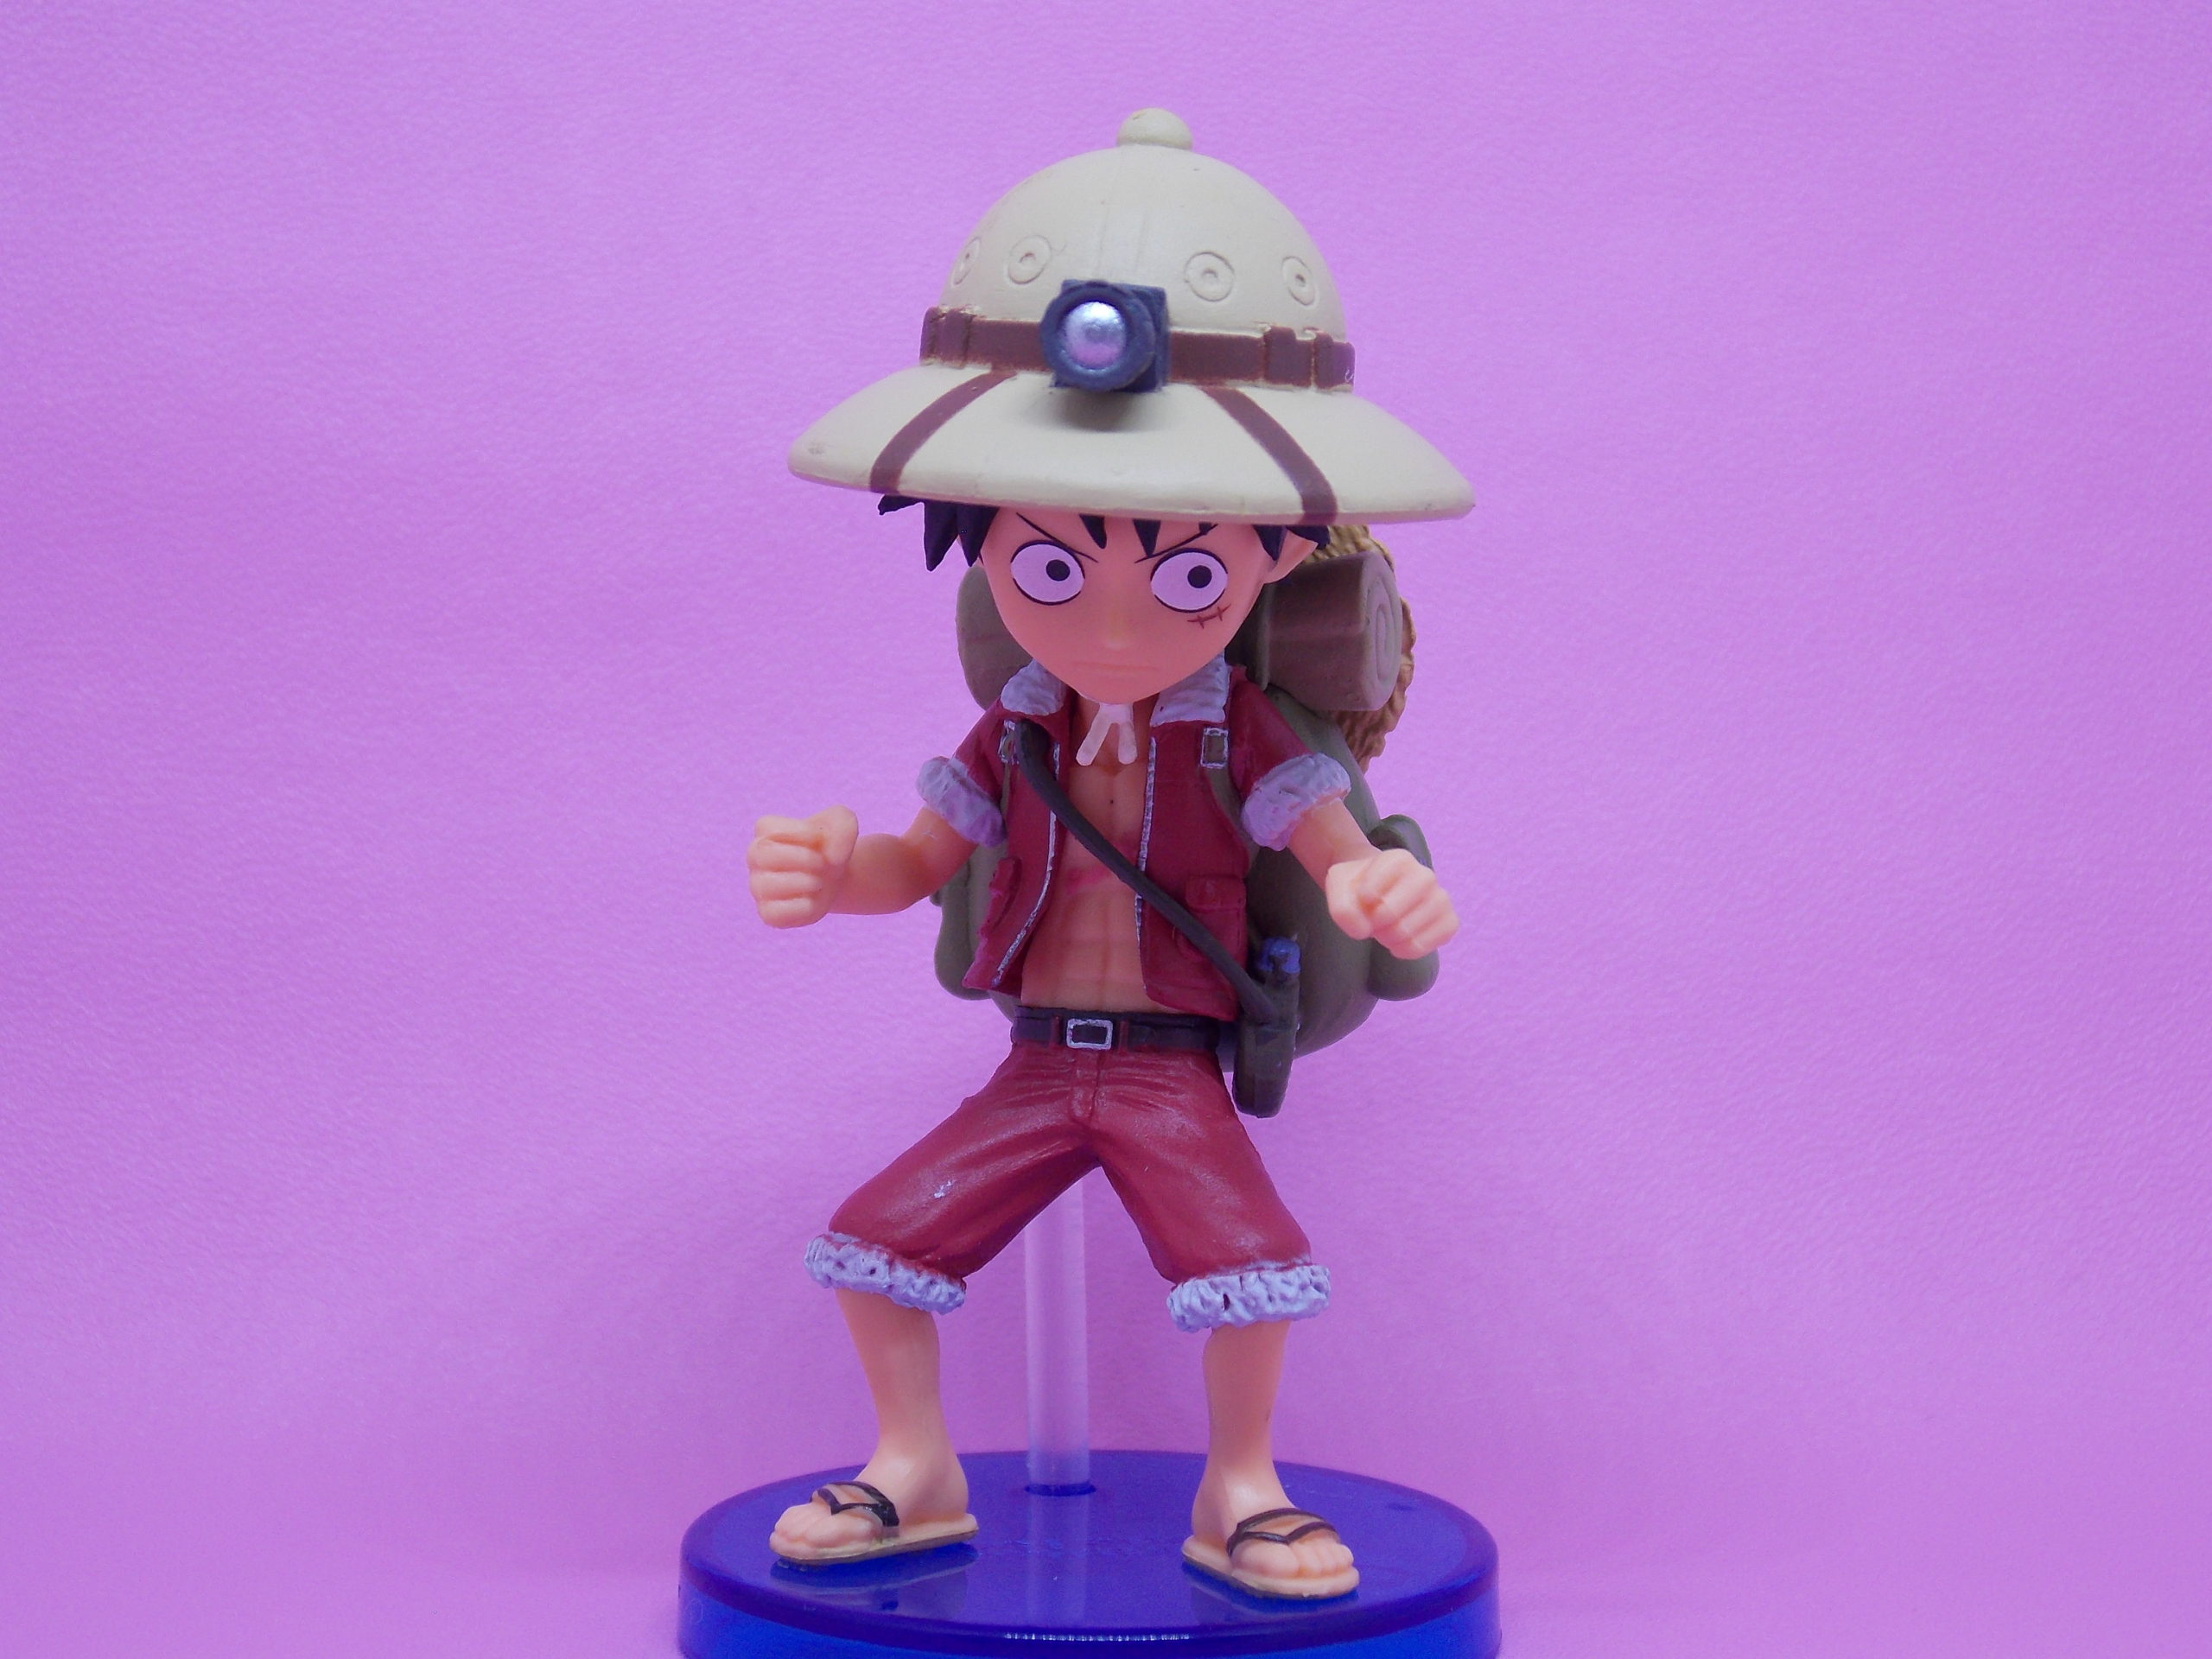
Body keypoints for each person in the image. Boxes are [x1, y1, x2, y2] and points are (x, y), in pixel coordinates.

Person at [746, 111, 1471, 1600]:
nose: (1118, 626)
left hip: (1163, 1069)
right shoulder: (1015, 723)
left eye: (1191, 572)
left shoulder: (1242, 735)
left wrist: (1378, 890)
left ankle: (1241, 1486)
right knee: (879, 1245)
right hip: (1034, 1061)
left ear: (1278, 554)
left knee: (1248, 1274)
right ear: (977, 547)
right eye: (1052, 567)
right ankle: (915, 1467)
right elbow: (918, 861)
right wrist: (839, 870)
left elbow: (1332, 847)